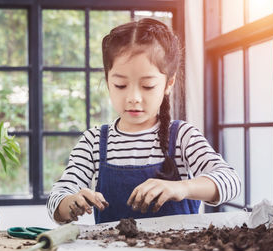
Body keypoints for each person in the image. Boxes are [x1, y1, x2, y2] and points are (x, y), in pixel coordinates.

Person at [47, 18, 241, 224]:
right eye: (120, 85)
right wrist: (71, 203)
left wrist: (181, 188)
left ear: (169, 83)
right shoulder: (93, 141)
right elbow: (57, 199)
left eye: (147, 86)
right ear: (108, 81)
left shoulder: (183, 137)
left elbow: (231, 182)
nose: (134, 97)